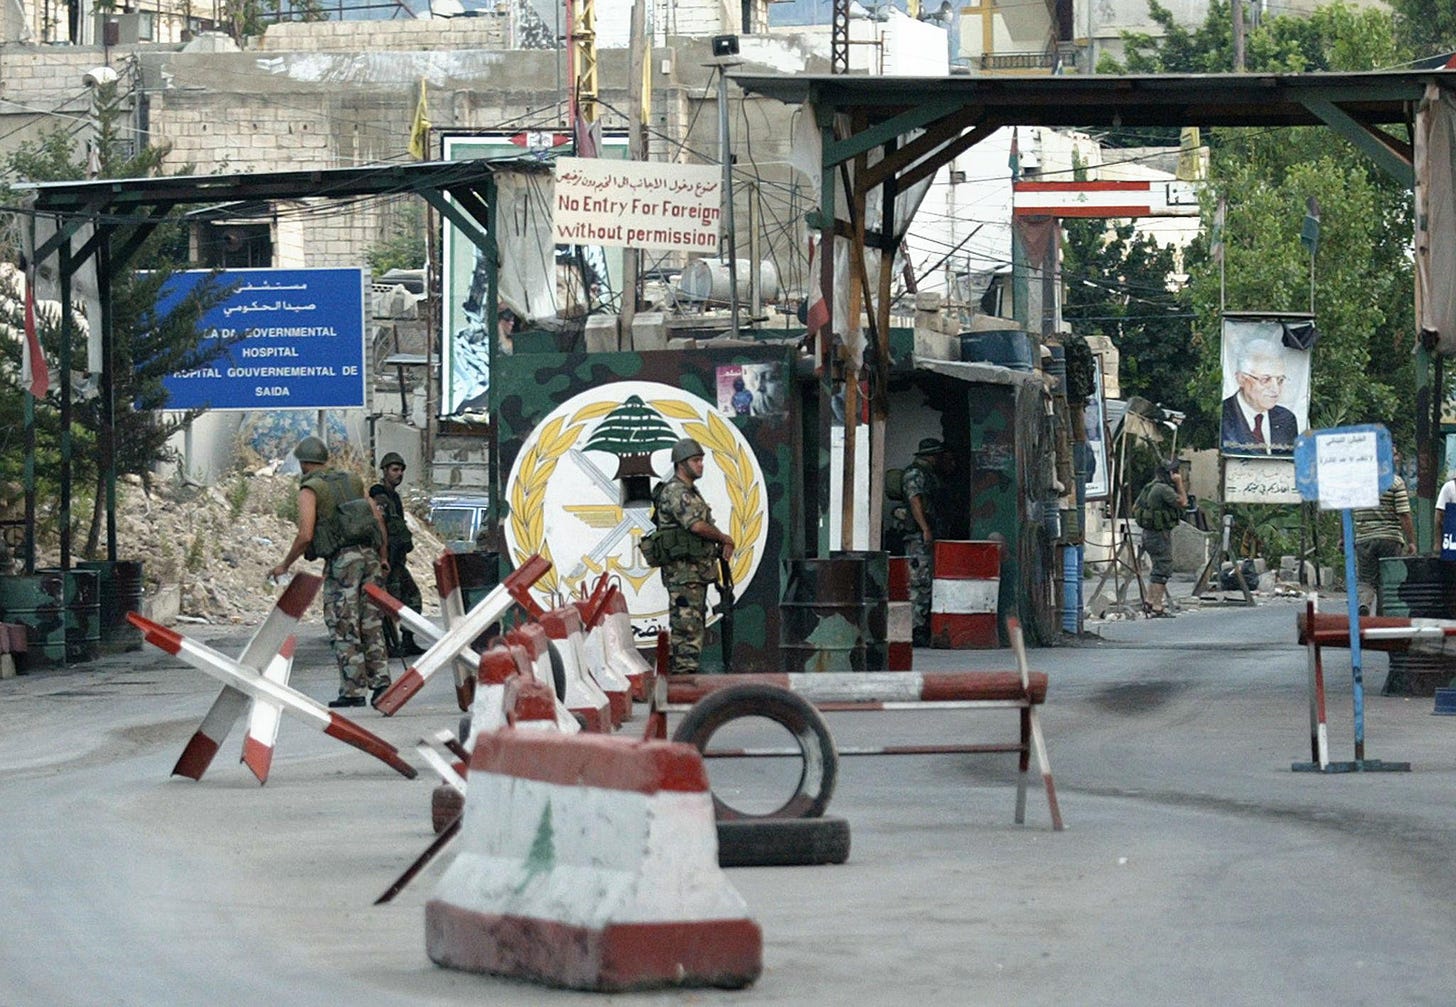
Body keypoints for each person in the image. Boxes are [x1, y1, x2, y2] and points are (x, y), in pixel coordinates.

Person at [269, 436, 391, 709]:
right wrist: (383, 556)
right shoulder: (352, 480)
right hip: (370, 556)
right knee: (370, 622)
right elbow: (378, 519)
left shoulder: (310, 488)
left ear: (303, 463)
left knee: (343, 623)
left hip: (343, 563)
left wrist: (285, 564)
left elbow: (305, 534)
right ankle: (382, 681)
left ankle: (353, 689)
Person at [653, 437, 735, 676]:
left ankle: (681, 677)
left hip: (692, 573)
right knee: (687, 630)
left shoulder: (688, 491)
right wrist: (723, 538)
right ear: (681, 463)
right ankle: (682, 681)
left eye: (701, 461)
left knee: (690, 627)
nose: (701, 465)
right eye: (696, 461)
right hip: (683, 574)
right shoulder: (677, 492)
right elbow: (697, 526)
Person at [370, 451, 424, 657]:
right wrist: (384, 559)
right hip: (387, 561)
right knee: (387, 606)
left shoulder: (393, 497)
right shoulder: (380, 496)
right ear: (384, 471)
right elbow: (381, 527)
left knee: (412, 599)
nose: (398, 473)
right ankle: (387, 645)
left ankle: (407, 641)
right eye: (394, 469)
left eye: (401, 470)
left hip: (397, 562)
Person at [900, 437, 951, 647]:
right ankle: (914, 629)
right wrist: (925, 529)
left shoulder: (930, 475)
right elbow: (915, 500)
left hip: (928, 533)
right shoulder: (915, 473)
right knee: (918, 582)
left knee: (927, 581)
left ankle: (921, 627)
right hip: (918, 536)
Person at [1353, 454, 1415, 616]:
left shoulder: (1358, 483)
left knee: (1366, 579)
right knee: (1386, 581)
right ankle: (1383, 617)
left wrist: (1342, 538)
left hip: (1364, 538)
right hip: (1390, 539)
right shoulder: (1394, 482)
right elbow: (1404, 514)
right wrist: (1411, 541)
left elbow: (1345, 511)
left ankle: (1364, 603)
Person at [1221, 338, 1299, 455]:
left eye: (1280, 380)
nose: (1275, 389)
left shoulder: (1286, 419)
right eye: (1265, 379)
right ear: (1241, 379)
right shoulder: (1223, 415)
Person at [1133, 459, 1187, 617]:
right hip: (1159, 534)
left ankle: (1149, 601)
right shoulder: (1163, 489)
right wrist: (1179, 483)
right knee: (1163, 568)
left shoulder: (1150, 487)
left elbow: (1135, 507)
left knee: (1157, 568)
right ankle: (1157, 606)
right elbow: (1183, 502)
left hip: (1148, 533)